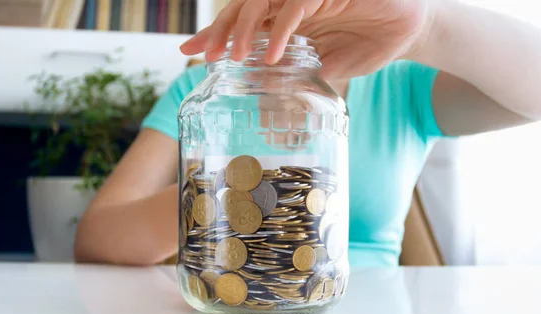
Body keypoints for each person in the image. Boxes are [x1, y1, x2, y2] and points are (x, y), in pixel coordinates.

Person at [74, 0, 541, 267]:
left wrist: (428, 29)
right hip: (226, 307)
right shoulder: (201, 89)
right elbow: (97, 240)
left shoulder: (400, 80)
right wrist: (228, 192)